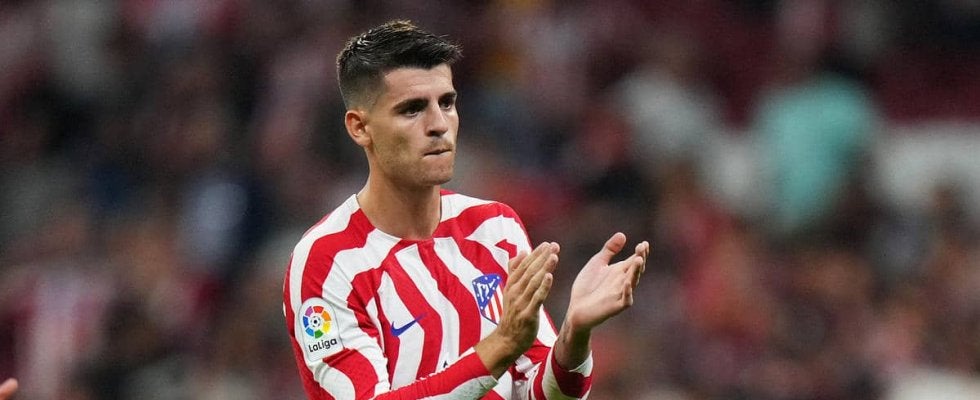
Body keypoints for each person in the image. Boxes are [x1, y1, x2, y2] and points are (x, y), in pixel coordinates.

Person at [283, 20, 649, 399]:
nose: (439, 124)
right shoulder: (328, 260)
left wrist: (574, 335)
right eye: (412, 109)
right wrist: (501, 345)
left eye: (447, 103)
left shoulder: (494, 228)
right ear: (360, 127)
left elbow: (536, 393)